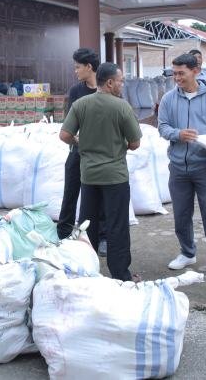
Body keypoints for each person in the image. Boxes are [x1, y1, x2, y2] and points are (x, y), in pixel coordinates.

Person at [59, 62, 142, 282]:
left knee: (87, 225)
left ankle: (87, 271)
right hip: (115, 176)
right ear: (110, 82)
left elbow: (64, 135)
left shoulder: (81, 104)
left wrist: (81, 142)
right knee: (117, 225)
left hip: (88, 175)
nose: (122, 85)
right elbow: (135, 143)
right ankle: (120, 274)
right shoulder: (122, 107)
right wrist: (119, 145)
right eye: (121, 80)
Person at [158, 53, 206, 278]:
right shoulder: (169, 99)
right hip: (178, 167)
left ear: (195, 71)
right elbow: (163, 127)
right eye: (174, 73)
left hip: (205, 166)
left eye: (181, 73)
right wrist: (179, 134)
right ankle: (187, 253)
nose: (177, 78)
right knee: (181, 214)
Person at [57, 48, 101, 241]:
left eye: (77, 67)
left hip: (101, 153)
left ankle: (101, 236)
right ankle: (63, 234)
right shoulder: (76, 91)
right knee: (70, 192)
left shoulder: (105, 88)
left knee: (99, 197)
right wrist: (76, 140)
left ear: (89, 67)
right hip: (78, 150)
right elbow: (69, 123)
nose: (75, 71)